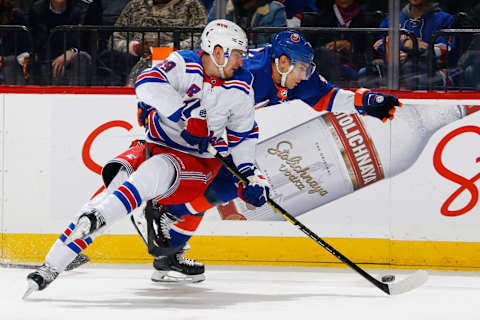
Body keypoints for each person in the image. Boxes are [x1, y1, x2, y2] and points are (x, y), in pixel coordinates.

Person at [129, 30, 402, 283]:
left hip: (216, 132)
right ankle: (163, 223)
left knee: (228, 185)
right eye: (301, 69)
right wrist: (149, 105)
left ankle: (169, 247)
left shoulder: (291, 76)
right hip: (186, 128)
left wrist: (363, 102)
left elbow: (327, 95)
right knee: (220, 181)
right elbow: (185, 66)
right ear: (282, 62)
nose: (304, 76)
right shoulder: (246, 69)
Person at [24, 19, 267, 298]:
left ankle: (136, 216)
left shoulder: (241, 85)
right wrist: (184, 116)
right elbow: (146, 83)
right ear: (218, 51)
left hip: (197, 163)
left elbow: (243, 136)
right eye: (237, 53)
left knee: (151, 175)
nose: (242, 60)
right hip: (155, 144)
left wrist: (250, 173)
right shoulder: (184, 63)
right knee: (108, 193)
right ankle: (51, 267)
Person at [98, 0, 207, 86]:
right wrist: (136, 48)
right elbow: (114, 39)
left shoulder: (192, 6)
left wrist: (166, 50)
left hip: (175, 60)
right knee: (107, 57)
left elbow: (200, 38)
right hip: (136, 57)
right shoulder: (135, 6)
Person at [359, 0, 454, 89]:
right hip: (394, 66)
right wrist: (402, 44)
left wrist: (411, 54)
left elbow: (445, 48)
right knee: (365, 72)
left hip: (430, 69)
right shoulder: (394, 18)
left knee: (409, 69)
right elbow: (378, 43)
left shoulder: (445, 19)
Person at [301, 0, 378, 85]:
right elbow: (310, 51)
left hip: (357, 71)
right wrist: (328, 46)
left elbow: (372, 51)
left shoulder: (370, 21)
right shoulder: (318, 19)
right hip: (327, 70)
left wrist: (352, 46)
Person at [28, 0, 103, 85]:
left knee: (81, 57)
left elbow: (89, 43)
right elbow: (35, 41)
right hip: (47, 60)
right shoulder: (37, 9)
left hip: (74, 59)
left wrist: (73, 51)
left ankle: (76, 96)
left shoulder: (84, 9)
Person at [207, 0, 287, 46]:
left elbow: (279, 46)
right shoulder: (220, 6)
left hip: (260, 65)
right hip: (224, 64)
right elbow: (206, 40)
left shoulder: (275, 9)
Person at [0, 0, 31, 84]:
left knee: (10, 61)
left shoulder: (16, 15)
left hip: (13, 58)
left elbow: (23, 44)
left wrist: (1, 56)